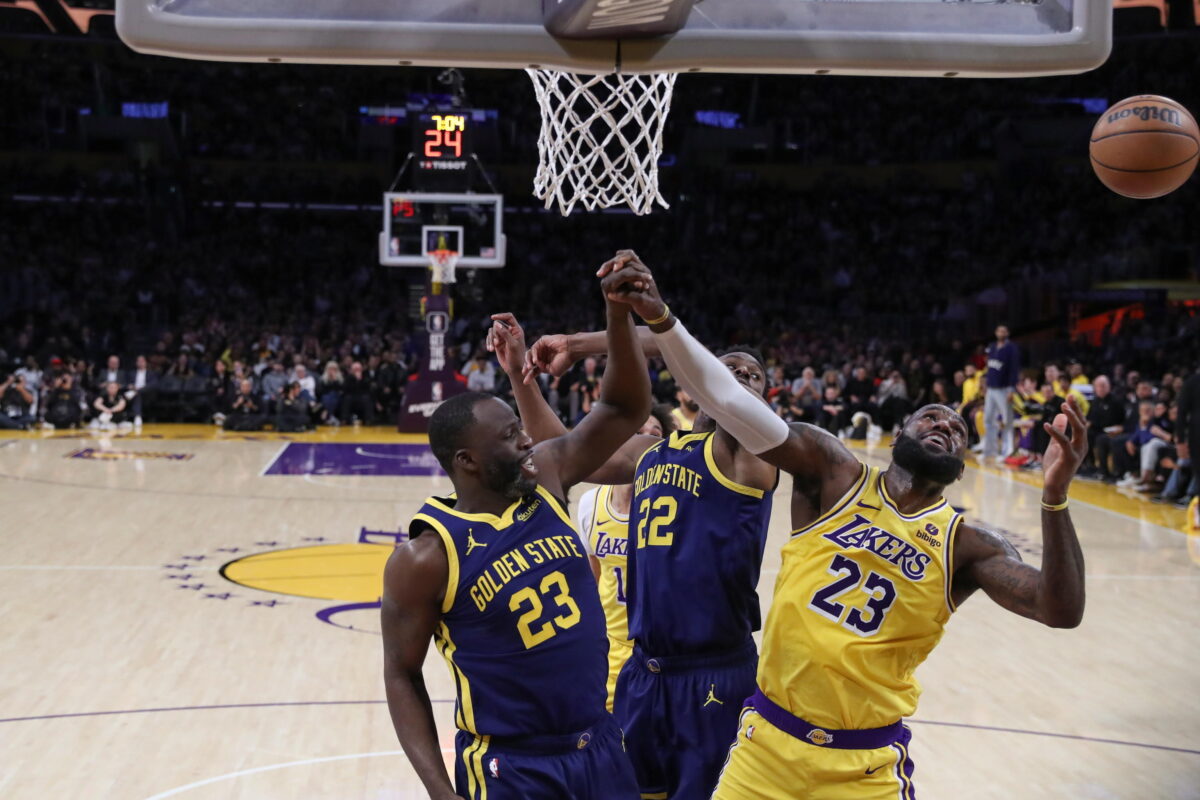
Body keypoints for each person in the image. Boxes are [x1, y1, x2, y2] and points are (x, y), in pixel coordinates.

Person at [600, 255, 1088, 800]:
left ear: (961, 465)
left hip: (865, 765)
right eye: (931, 416)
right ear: (899, 433)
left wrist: (1055, 497)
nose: (946, 426)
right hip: (766, 747)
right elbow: (731, 401)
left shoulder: (966, 546)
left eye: (957, 430)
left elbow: (1060, 609)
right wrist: (658, 317)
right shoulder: (831, 475)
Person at [381, 251, 651, 800]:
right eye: (509, 437)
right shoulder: (428, 557)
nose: (527, 439)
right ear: (467, 462)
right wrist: (440, 791)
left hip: (600, 746)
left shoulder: (547, 475)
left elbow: (624, 409)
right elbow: (401, 675)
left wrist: (618, 313)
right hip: (513, 768)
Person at [521, 288, 779, 800]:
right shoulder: (653, 451)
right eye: (729, 368)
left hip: (713, 674)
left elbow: (674, 347)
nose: (738, 377)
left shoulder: (754, 455)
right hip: (644, 672)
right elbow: (561, 452)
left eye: (752, 375)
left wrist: (584, 341)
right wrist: (521, 375)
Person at [571, 405, 674, 712]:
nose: (644, 441)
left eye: (654, 434)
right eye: (636, 433)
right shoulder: (591, 503)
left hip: (661, 649)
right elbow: (592, 580)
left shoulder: (674, 507)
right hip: (611, 645)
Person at [982, 324, 1020, 461]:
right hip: (991, 388)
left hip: (1004, 389)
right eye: (999, 330)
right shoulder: (992, 346)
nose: (1001, 333)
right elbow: (989, 367)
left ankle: (1007, 451)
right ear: (996, 332)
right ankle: (990, 451)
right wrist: (986, 383)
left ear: (1007, 333)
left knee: (1007, 421)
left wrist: (1011, 389)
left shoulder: (1012, 348)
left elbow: (1014, 369)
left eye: (1004, 331)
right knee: (988, 419)